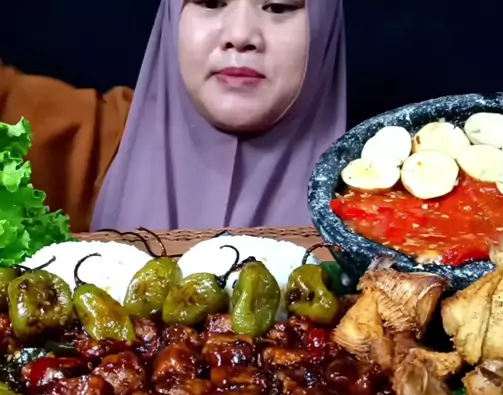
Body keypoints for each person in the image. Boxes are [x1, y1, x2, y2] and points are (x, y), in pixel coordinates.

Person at [0, 0, 347, 233]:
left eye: (278, 7)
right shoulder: (90, 141)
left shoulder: (369, 192)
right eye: (210, 2)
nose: (240, 35)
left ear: (325, 26)